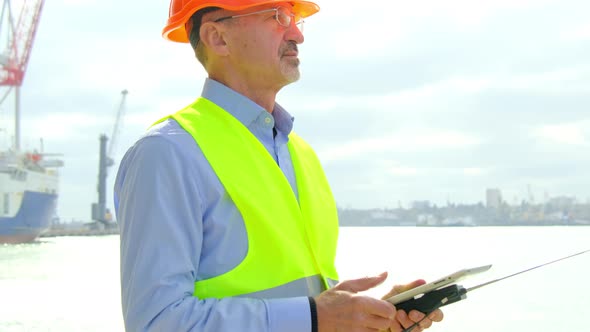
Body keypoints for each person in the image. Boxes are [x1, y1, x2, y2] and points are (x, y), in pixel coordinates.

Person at [114, 0, 444, 331]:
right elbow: (156, 322)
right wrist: (316, 316)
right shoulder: (166, 154)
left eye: (296, 20)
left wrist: (368, 320)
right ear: (217, 38)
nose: (297, 35)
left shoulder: (300, 153)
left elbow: (309, 311)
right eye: (278, 17)